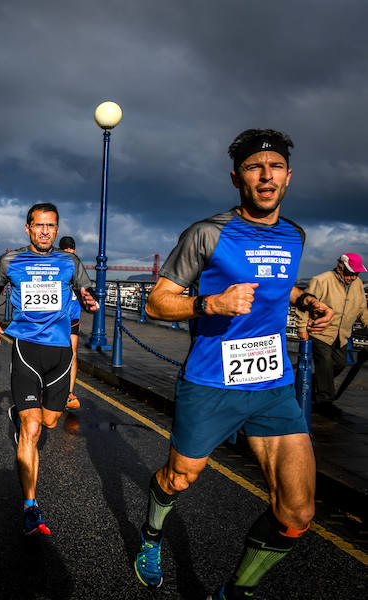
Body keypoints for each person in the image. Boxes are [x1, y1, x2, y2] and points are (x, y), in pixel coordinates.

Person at [132, 129, 333, 600]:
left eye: (275, 167)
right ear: (236, 178)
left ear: (288, 176)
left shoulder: (294, 234)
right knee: (180, 477)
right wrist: (210, 304)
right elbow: (158, 304)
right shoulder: (207, 233)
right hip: (211, 382)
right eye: (253, 167)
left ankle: (234, 592)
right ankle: (152, 533)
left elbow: (275, 284)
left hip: (272, 385)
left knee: (298, 512)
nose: (266, 176)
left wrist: (305, 299)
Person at [0, 203, 98, 535]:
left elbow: (84, 292)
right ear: (28, 228)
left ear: (56, 229)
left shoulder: (69, 262)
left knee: (49, 421)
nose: (45, 231)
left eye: (51, 225)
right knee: (31, 429)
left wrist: (90, 301)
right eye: (39, 225)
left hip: (61, 353)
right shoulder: (11, 261)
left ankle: (22, 410)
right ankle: (31, 506)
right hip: (27, 348)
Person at [295, 252, 368, 417]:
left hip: (341, 335)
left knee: (340, 364)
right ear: (340, 267)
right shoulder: (321, 281)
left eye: (357, 273)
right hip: (320, 332)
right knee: (325, 363)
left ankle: (313, 384)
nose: (353, 277)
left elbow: (362, 309)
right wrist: (302, 329)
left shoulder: (357, 285)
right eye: (351, 273)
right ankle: (325, 402)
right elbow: (303, 305)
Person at [58, 235, 85, 410]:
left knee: (73, 351)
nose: (69, 252)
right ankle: (50, 388)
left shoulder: (78, 267)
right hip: (56, 315)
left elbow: (85, 289)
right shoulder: (55, 265)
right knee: (56, 351)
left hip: (73, 314)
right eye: (65, 250)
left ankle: (69, 393)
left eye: (71, 249)